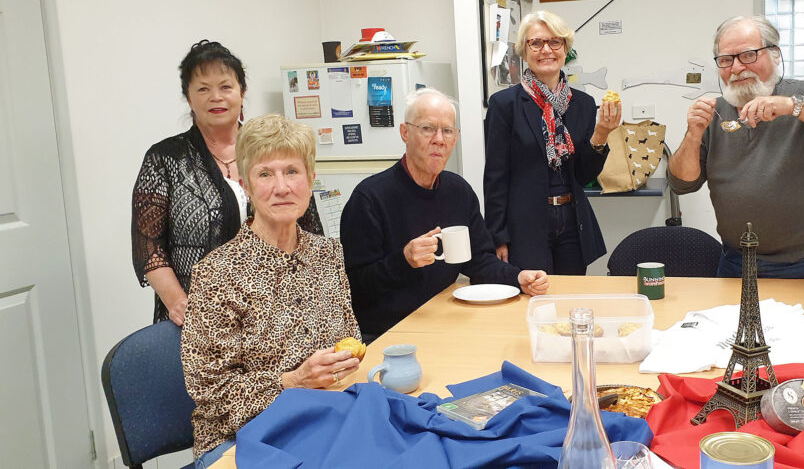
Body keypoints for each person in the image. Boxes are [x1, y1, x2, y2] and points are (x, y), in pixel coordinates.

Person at [181, 115, 361, 467]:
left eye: (292, 172)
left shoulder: (328, 255)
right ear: (245, 184)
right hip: (240, 440)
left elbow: (348, 340)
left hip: (323, 418)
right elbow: (212, 395)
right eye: (265, 174)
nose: (282, 187)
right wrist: (293, 382)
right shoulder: (217, 274)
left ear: (310, 179)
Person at [667, 16, 804, 279]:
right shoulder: (715, 112)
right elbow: (682, 184)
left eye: (748, 55)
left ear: (775, 54)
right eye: (726, 59)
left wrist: (794, 107)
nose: (737, 67)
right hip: (736, 261)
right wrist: (692, 134)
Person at [131, 40, 322, 325]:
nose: (215, 97)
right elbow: (149, 246)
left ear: (241, 93)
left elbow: (309, 229)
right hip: (199, 317)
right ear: (188, 97)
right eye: (203, 89)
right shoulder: (165, 158)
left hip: (278, 312)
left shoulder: (271, 148)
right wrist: (178, 303)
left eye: (225, 87)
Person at [340, 88, 548, 342]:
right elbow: (353, 288)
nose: (439, 139)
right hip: (389, 334)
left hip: (444, 319)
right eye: (428, 128)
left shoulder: (458, 191)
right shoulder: (369, 198)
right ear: (405, 133)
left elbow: (479, 261)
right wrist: (403, 260)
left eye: (447, 131)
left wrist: (518, 277)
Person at [483, 10, 620, 275]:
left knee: (569, 298)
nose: (546, 49)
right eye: (536, 43)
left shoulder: (582, 103)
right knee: (533, 299)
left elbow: (584, 174)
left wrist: (601, 133)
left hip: (571, 220)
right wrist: (497, 235)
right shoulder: (504, 105)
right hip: (525, 223)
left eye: (554, 42)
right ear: (524, 50)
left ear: (565, 48)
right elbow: (495, 177)